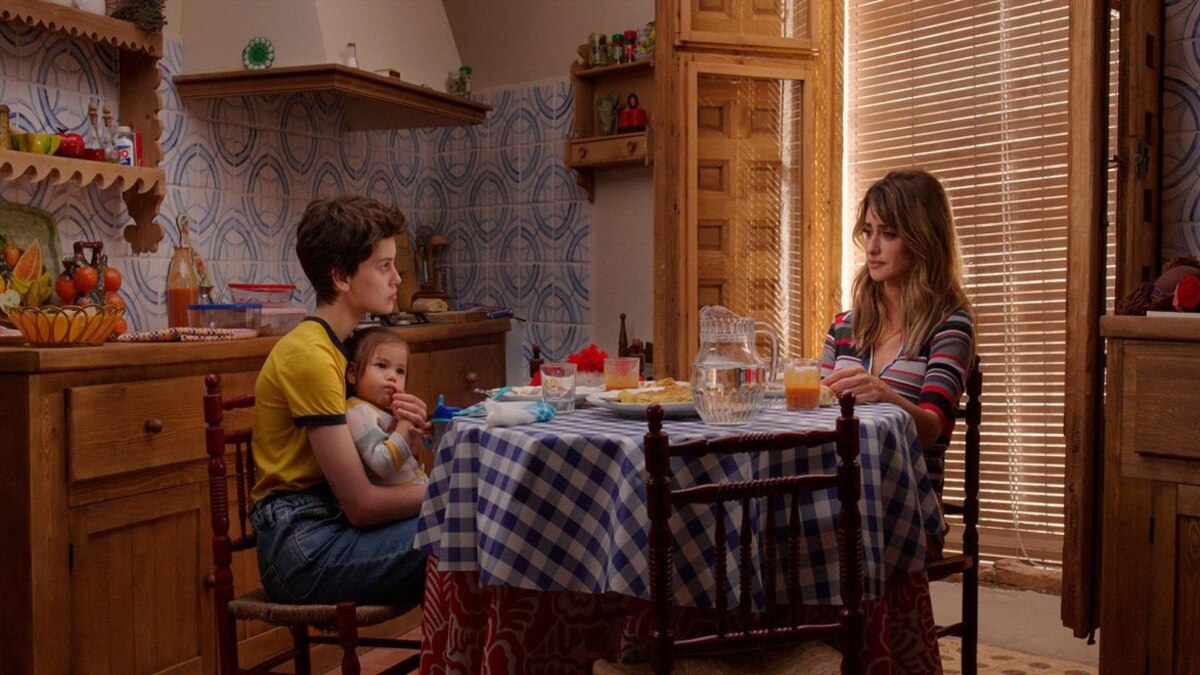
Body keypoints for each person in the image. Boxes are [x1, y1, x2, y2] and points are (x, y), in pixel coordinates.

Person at [249, 195, 429, 606]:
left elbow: (371, 460)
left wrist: (406, 434)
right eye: (384, 266)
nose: (397, 279)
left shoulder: (345, 349)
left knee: (473, 525)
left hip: (330, 524)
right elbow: (362, 505)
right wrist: (453, 493)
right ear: (342, 277)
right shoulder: (311, 356)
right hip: (303, 548)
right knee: (466, 529)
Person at [820, 169, 975, 496]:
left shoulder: (950, 326)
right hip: (837, 494)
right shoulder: (843, 327)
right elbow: (818, 414)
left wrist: (883, 394)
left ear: (923, 240)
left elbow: (933, 432)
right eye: (868, 231)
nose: (872, 247)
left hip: (908, 502)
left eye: (889, 234)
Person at [344, 326, 428, 487]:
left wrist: (416, 435)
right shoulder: (358, 411)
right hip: (399, 500)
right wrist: (404, 426)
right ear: (353, 374)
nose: (392, 376)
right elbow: (384, 464)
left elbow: (407, 458)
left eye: (400, 371)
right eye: (382, 365)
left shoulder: (381, 411)